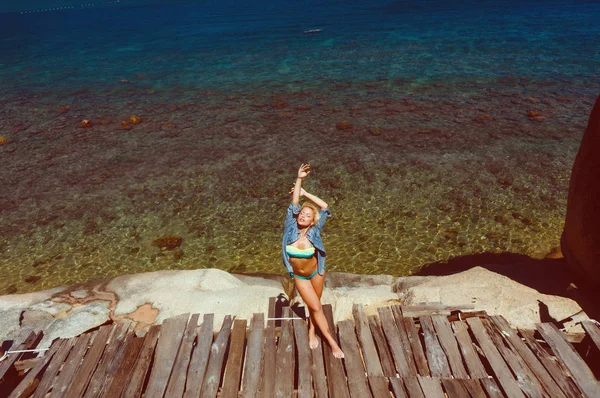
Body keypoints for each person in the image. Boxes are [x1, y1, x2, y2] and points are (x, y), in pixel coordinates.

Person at [282, 163, 344, 359]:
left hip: (316, 273)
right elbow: (294, 202)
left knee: (314, 304)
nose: (302, 216)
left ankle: (311, 331)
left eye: (307, 215)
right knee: (316, 307)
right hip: (300, 277)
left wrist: (306, 194)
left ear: (312, 221)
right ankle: (333, 343)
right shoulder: (291, 225)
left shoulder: (315, 231)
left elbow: (325, 207)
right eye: (301, 213)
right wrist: (299, 178)